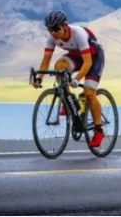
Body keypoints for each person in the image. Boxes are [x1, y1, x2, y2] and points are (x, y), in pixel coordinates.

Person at [32, 10, 105, 147]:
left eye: (56, 28)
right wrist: (39, 78)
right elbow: (46, 59)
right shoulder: (52, 38)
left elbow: (88, 62)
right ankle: (69, 101)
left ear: (65, 26)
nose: (53, 33)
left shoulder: (78, 34)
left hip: (94, 58)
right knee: (59, 66)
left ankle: (98, 130)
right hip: (76, 56)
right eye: (50, 29)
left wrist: (77, 79)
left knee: (89, 93)